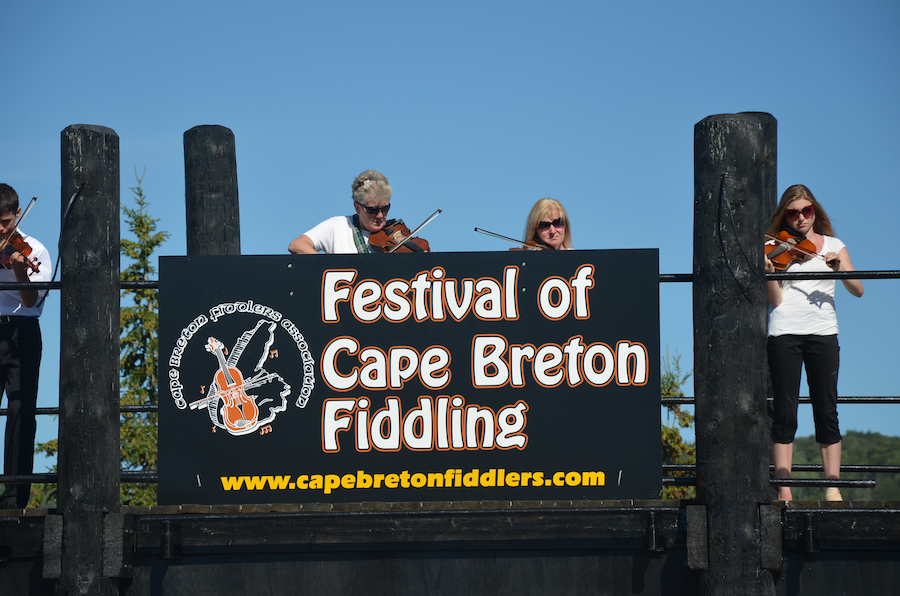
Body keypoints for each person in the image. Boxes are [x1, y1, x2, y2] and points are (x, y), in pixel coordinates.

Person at [765, 184, 864, 502]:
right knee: (784, 410)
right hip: (784, 331)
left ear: (815, 211)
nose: (800, 218)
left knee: (826, 408)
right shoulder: (773, 247)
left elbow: (858, 289)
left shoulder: (833, 245)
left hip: (823, 332)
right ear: (786, 215)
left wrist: (838, 268)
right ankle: (784, 489)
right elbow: (777, 301)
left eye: (806, 211)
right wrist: (769, 275)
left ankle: (833, 487)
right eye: (793, 213)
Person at [0, 183, 50, 509]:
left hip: (22, 332)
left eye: (5, 222)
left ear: (18, 214)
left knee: (21, 412)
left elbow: (31, 301)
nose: (0, 230)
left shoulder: (35, 251)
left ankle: (14, 497)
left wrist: (19, 268)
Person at [288, 170, 392, 254]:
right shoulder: (338, 226)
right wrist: (328, 267)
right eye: (372, 210)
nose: (380, 215)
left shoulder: (395, 234)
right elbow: (297, 245)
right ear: (357, 208)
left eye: (385, 209)